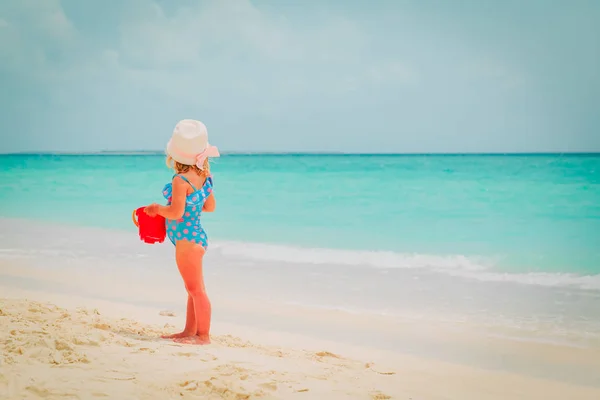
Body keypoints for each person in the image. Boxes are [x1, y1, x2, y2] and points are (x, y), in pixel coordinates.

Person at [145, 119, 220, 345]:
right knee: (193, 289)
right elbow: (210, 207)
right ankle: (189, 331)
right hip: (197, 237)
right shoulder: (205, 177)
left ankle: (203, 336)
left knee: (196, 290)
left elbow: (176, 213)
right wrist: (194, 204)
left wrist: (157, 209)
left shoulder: (180, 180)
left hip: (187, 242)